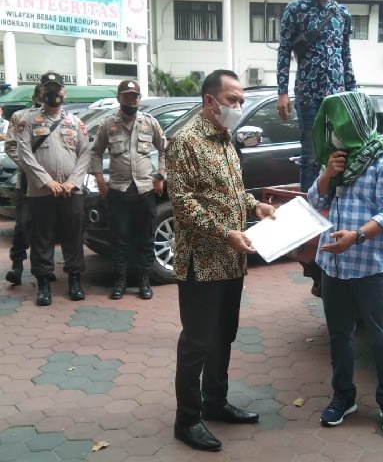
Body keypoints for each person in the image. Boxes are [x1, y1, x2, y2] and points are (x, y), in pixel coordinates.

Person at [167, 69, 276, 452]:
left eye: (241, 100)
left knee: (224, 335)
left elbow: (232, 192)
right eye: (233, 100)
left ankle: (215, 402)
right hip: (203, 260)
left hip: (232, 260)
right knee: (197, 341)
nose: (239, 107)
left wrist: (256, 206)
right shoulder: (185, 142)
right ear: (210, 101)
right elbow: (184, 204)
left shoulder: (224, 139)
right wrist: (225, 233)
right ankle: (187, 419)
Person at [307, 91, 383, 435]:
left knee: (381, 338)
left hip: (369, 265)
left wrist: (357, 236)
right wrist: (326, 174)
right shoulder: (337, 159)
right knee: (339, 336)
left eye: (342, 123)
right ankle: (343, 397)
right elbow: (314, 200)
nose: (335, 130)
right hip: (333, 266)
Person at [15, 72, 90, 306]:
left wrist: (72, 182)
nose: (53, 93)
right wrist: (47, 181)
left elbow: (86, 154)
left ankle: (75, 281)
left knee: (73, 237)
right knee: (41, 238)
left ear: (63, 92)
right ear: (41, 91)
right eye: (48, 88)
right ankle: (44, 285)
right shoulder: (27, 121)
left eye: (56, 89)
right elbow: (24, 154)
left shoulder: (75, 122)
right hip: (41, 192)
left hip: (71, 192)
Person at [89, 80, 166, 300]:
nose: (131, 100)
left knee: (146, 238)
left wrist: (160, 175)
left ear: (139, 99)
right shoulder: (108, 124)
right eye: (127, 96)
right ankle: (120, 282)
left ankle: (144, 281)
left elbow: (164, 149)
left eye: (135, 96)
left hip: (144, 190)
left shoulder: (149, 123)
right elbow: (95, 153)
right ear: (118, 98)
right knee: (119, 239)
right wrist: (100, 180)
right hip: (118, 191)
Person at [277, 0, 357, 192]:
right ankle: (309, 210)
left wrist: (353, 93)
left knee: (339, 154)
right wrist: (282, 92)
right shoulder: (295, 8)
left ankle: (333, 203)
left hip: (338, 96)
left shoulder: (342, 13)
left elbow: (346, 56)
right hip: (309, 94)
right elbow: (284, 51)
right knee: (311, 156)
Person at [4, 85, 42, 286]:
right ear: (35, 96)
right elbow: (10, 145)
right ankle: (17, 265)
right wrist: (28, 165)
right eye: (42, 94)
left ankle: (42, 267)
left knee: (45, 227)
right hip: (27, 179)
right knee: (23, 225)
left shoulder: (58, 118)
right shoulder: (19, 116)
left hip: (50, 181)